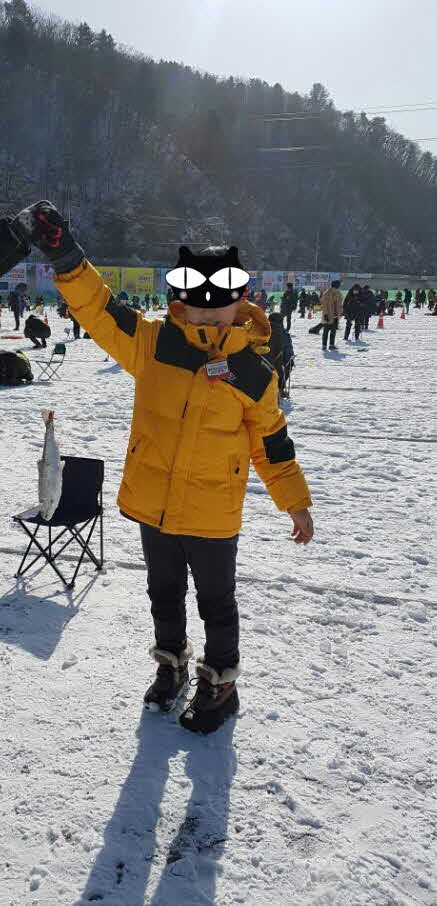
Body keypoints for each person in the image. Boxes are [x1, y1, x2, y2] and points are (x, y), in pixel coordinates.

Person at [9, 200, 314, 735]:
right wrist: (66, 256)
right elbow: (100, 310)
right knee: (163, 595)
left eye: (220, 306)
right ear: (181, 302)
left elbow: (273, 443)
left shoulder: (253, 372)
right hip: (156, 507)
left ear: (240, 303)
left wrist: (296, 502)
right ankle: (170, 665)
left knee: (217, 602)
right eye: (198, 305)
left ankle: (220, 683)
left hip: (213, 514)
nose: (209, 315)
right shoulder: (154, 343)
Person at [320, 280, 343, 350]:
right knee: (326, 331)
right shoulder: (327, 293)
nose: (338, 288)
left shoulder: (338, 293)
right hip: (328, 315)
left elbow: (340, 305)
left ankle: (331, 345)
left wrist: (340, 313)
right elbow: (324, 305)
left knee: (333, 331)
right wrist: (325, 314)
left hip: (335, 316)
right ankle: (324, 345)